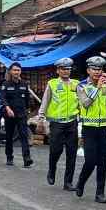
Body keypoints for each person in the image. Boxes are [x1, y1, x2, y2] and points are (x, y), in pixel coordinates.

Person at [76, 56, 106, 203]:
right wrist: (97, 88)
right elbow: (86, 104)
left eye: (99, 69)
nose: (97, 72)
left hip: (103, 128)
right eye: (94, 69)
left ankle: (100, 193)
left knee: (103, 162)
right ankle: (81, 183)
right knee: (90, 161)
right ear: (88, 70)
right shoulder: (82, 86)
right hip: (89, 129)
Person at [38, 58, 82, 190]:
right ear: (58, 70)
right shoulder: (52, 84)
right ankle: (52, 171)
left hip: (72, 123)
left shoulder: (76, 84)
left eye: (68, 69)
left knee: (72, 153)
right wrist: (41, 118)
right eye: (63, 69)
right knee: (55, 151)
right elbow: (45, 101)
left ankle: (68, 182)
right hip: (56, 124)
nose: (66, 71)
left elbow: (82, 102)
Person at [0, 62, 33, 169]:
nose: (16, 72)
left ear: (20, 71)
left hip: (21, 114)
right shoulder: (5, 84)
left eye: (18, 70)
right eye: (14, 70)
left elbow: (27, 99)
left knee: (24, 136)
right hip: (9, 115)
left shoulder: (24, 84)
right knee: (9, 136)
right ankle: (9, 157)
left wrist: (28, 110)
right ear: (10, 71)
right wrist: (8, 108)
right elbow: (3, 98)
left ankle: (27, 158)